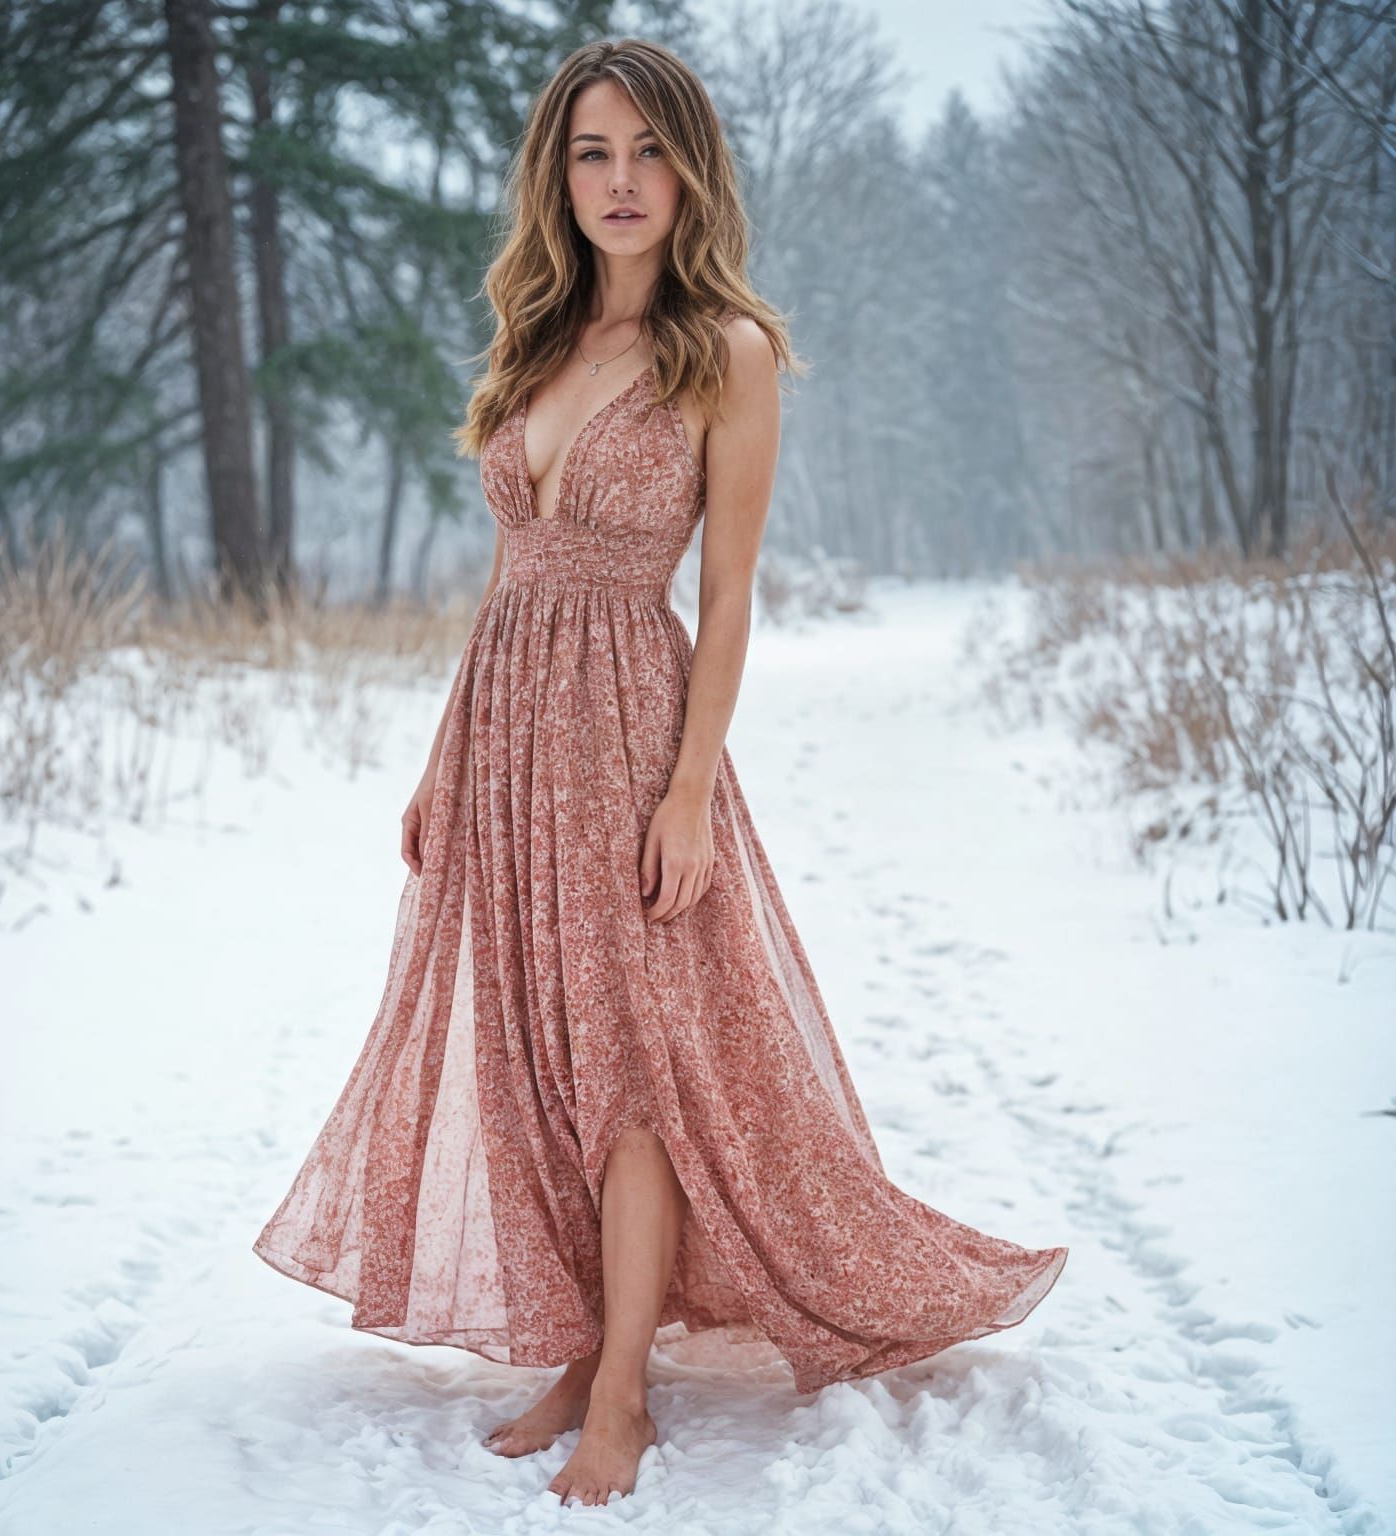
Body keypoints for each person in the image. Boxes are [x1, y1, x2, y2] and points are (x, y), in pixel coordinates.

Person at [252, 36, 1068, 1510]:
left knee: (635, 1065)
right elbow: (505, 580)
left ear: (692, 169)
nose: (620, 183)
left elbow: (735, 592)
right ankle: (576, 1339)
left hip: (632, 727)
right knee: (537, 1052)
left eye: (647, 151)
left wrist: (688, 791)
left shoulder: (728, 351)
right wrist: (447, 762)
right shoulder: (535, 342)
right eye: (591, 154)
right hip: (508, 731)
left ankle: (624, 1385)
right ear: (556, 179)